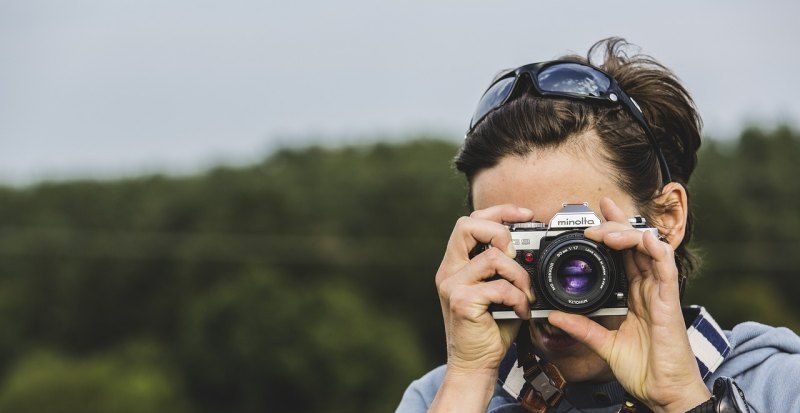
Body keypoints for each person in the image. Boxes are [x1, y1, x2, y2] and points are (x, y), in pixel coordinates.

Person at [396, 38, 800, 413]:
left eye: (575, 240)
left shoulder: (778, 386)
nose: (556, 276)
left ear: (666, 218)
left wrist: (683, 398)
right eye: (523, 243)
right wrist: (468, 379)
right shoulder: (441, 396)